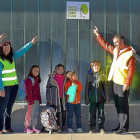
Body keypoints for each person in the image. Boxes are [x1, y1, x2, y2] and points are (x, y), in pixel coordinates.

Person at [93, 26, 136, 134]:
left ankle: (124, 128)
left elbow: (131, 71)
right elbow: (106, 45)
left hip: (123, 83)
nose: (115, 44)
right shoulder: (116, 50)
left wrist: (127, 84)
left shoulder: (130, 53)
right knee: (118, 105)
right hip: (115, 81)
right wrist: (98, 35)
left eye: (116, 42)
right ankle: (121, 125)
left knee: (123, 105)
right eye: (114, 42)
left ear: (122, 41)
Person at [0, 35, 37, 134]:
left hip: (14, 87)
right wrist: (1, 88)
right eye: (4, 47)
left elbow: (21, 51)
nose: (6, 48)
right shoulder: (0, 59)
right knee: (2, 108)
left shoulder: (12, 57)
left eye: (8, 47)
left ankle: (8, 127)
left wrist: (31, 43)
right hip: (5, 88)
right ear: (1, 48)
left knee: (9, 108)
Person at [85, 60, 110, 134]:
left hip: (100, 98)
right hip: (92, 99)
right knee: (92, 113)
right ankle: (92, 128)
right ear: (92, 67)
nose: (96, 67)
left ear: (99, 67)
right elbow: (87, 88)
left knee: (101, 114)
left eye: (97, 66)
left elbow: (106, 87)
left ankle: (101, 127)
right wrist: (87, 99)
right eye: (94, 66)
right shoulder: (89, 76)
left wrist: (107, 98)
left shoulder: (103, 75)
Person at [46, 64, 67, 132]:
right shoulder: (52, 78)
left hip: (63, 98)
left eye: (61, 69)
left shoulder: (66, 78)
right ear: (55, 70)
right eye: (58, 69)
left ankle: (63, 125)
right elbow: (47, 89)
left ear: (64, 70)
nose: (60, 70)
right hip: (54, 99)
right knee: (56, 113)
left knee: (63, 112)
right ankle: (56, 126)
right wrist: (49, 98)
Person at [24, 65, 41, 134]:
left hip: (36, 100)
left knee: (36, 114)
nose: (36, 72)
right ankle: (27, 127)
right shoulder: (29, 79)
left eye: (37, 71)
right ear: (31, 70)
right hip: (31, 100)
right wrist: (30, 100)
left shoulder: (36, 79)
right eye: (35, 70)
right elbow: (28, 91)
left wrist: (39, 100)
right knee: (29, 114)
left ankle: (33, 127)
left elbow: (37, 91)